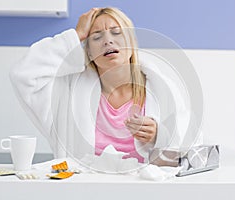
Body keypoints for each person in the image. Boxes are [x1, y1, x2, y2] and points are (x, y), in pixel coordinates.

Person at [10, 7, 185, 164]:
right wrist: (76, 35)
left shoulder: (163, 90)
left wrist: (158, 136)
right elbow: (23, 74)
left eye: (116, 33)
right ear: (88, 52)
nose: (108, 41)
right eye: (96, 36)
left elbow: (191, 150)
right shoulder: (66, 94)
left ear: (132, 43)